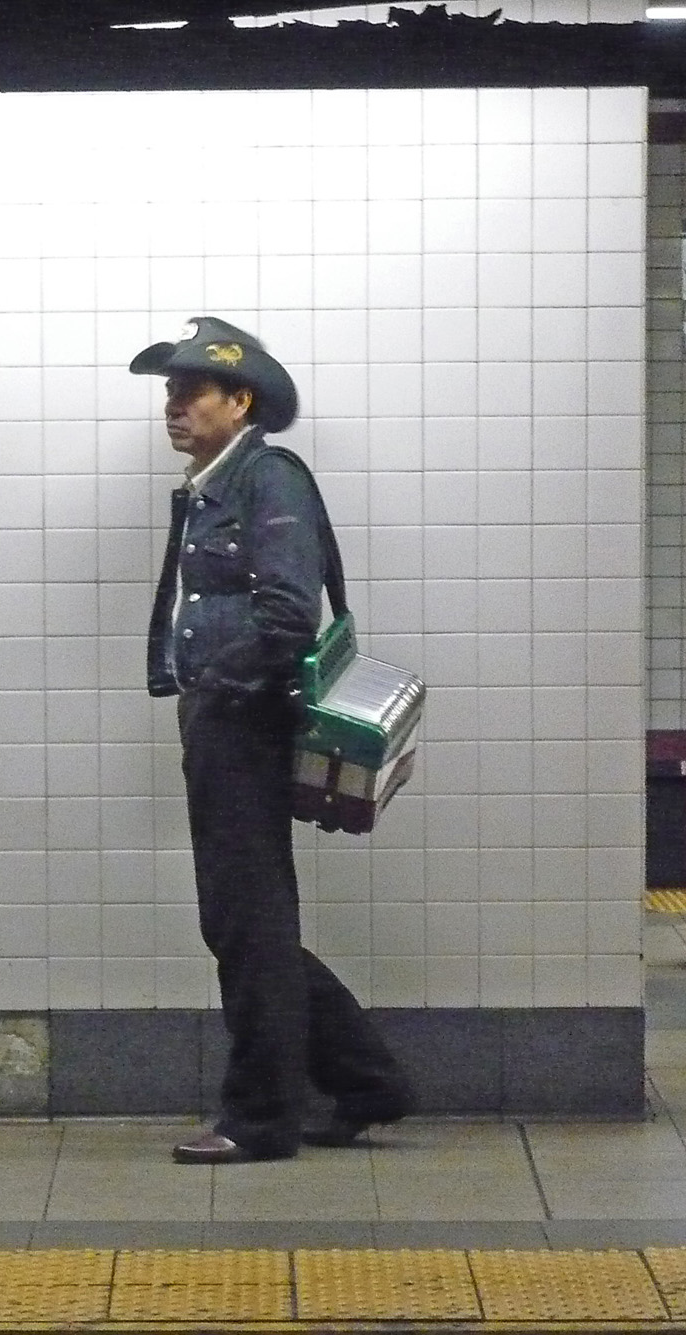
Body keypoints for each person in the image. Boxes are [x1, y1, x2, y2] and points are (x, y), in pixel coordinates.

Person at [133, 317, 413, 1164]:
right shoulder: (216, 482)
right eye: (170, 393)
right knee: (249, 921)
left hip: (244, 720)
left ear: (239, 399)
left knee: (246, 922)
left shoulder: (267, 477)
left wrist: (219, 687)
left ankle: (259, 1116)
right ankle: (367, 1081)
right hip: (222, 714)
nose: (174, 407)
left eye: (191, 392)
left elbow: (290, 614)